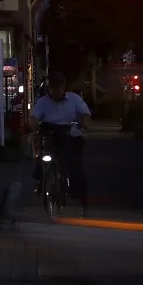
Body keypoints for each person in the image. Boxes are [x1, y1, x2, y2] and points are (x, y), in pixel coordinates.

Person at [31, 71, 92, 207]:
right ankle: (41, 181)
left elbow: (85, 114)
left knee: (75, 164)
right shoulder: (43, 102)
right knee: (41, 156)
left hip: (70, 133)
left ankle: (78, 193)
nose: (57, 91)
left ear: (64, 87)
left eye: (59, 87)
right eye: (54, 88)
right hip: (50, 132)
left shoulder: (74, 99)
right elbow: (34, 117)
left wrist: (85, 123)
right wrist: (35, 126)